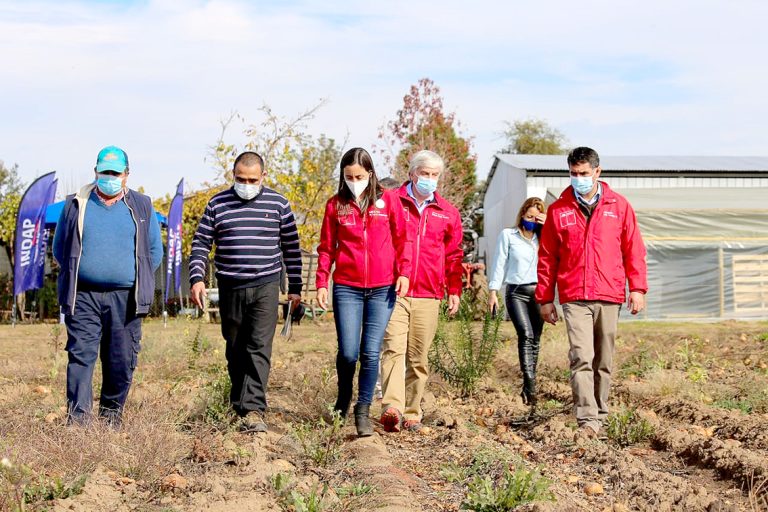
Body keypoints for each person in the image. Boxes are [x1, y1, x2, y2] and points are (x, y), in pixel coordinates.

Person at [535, 146, 647, 437]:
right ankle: (587, 419)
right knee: (581, 356)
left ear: (597, 172)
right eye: (573, 174)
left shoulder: (619, 207)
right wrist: (545, 299)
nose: (578, 178)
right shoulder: (559, 210)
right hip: (574, 295)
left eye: (584, 173)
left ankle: (602, 412)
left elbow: (633, 250)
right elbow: (547, 257)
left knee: (603, 359)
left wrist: (637, 288)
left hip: (609, 293)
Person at [189, 151, 302, 433]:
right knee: (236, 346)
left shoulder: (278, 204)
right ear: (233, 175)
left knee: (259, 346)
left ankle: (253, 409)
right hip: (230, 285)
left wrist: (295, 289)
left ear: (264, 176)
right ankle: (239, 402)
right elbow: (202, 242)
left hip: (266, 283)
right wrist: (197, 278)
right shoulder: (217, 203)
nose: (246, 184)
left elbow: (291, 248)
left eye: (252, 179)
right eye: (241, 178)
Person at [53, 145, 163, 427]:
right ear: (96, 172)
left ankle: (111, 417)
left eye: (115, 172)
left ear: (127, 175)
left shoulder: (142, 205)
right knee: (80, 356)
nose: (109, 177)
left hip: (126, 298)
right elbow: (59, 249)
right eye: (105, 172)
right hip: (83, 295)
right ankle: (78, 421)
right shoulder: (76, 203)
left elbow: (154, 253)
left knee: (121, 358)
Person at [316, 147, 411, 437]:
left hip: (382, 288)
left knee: (370, 352)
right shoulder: (336, 205)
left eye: (359, 175)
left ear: (370, 173)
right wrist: (322, 282)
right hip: (347, 287)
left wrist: (404, 272)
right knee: (348, 353)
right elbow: (325, 248)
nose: (354, 180)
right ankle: (343, 398)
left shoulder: (388, 201)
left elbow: (402, 240)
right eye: (348, 176)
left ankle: (362, 409)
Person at [379, 150, 464, 433]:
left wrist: (454, 289)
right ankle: (392, 407)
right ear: (412, 173)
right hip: (394, 289)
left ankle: (412, 411)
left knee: (418, 357)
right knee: (393, 348)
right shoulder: (391, 201)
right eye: (424, 173)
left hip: (429, 292)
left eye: (434, 175)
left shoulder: (448, 213)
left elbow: (454, 255)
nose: (429, 179)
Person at [487, 197, 547, 408]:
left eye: (536, 218)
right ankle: (530, 386)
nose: (532, 220)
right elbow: (499, 262)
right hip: (516, 292)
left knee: (536, 339)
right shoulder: (509, 235)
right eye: (529, 216)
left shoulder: (544, 238)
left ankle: (530, 382)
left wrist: (547, 226)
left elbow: (563, 248)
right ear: (522, 215)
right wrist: (493, 291)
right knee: (526, 334)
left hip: (539, 291)